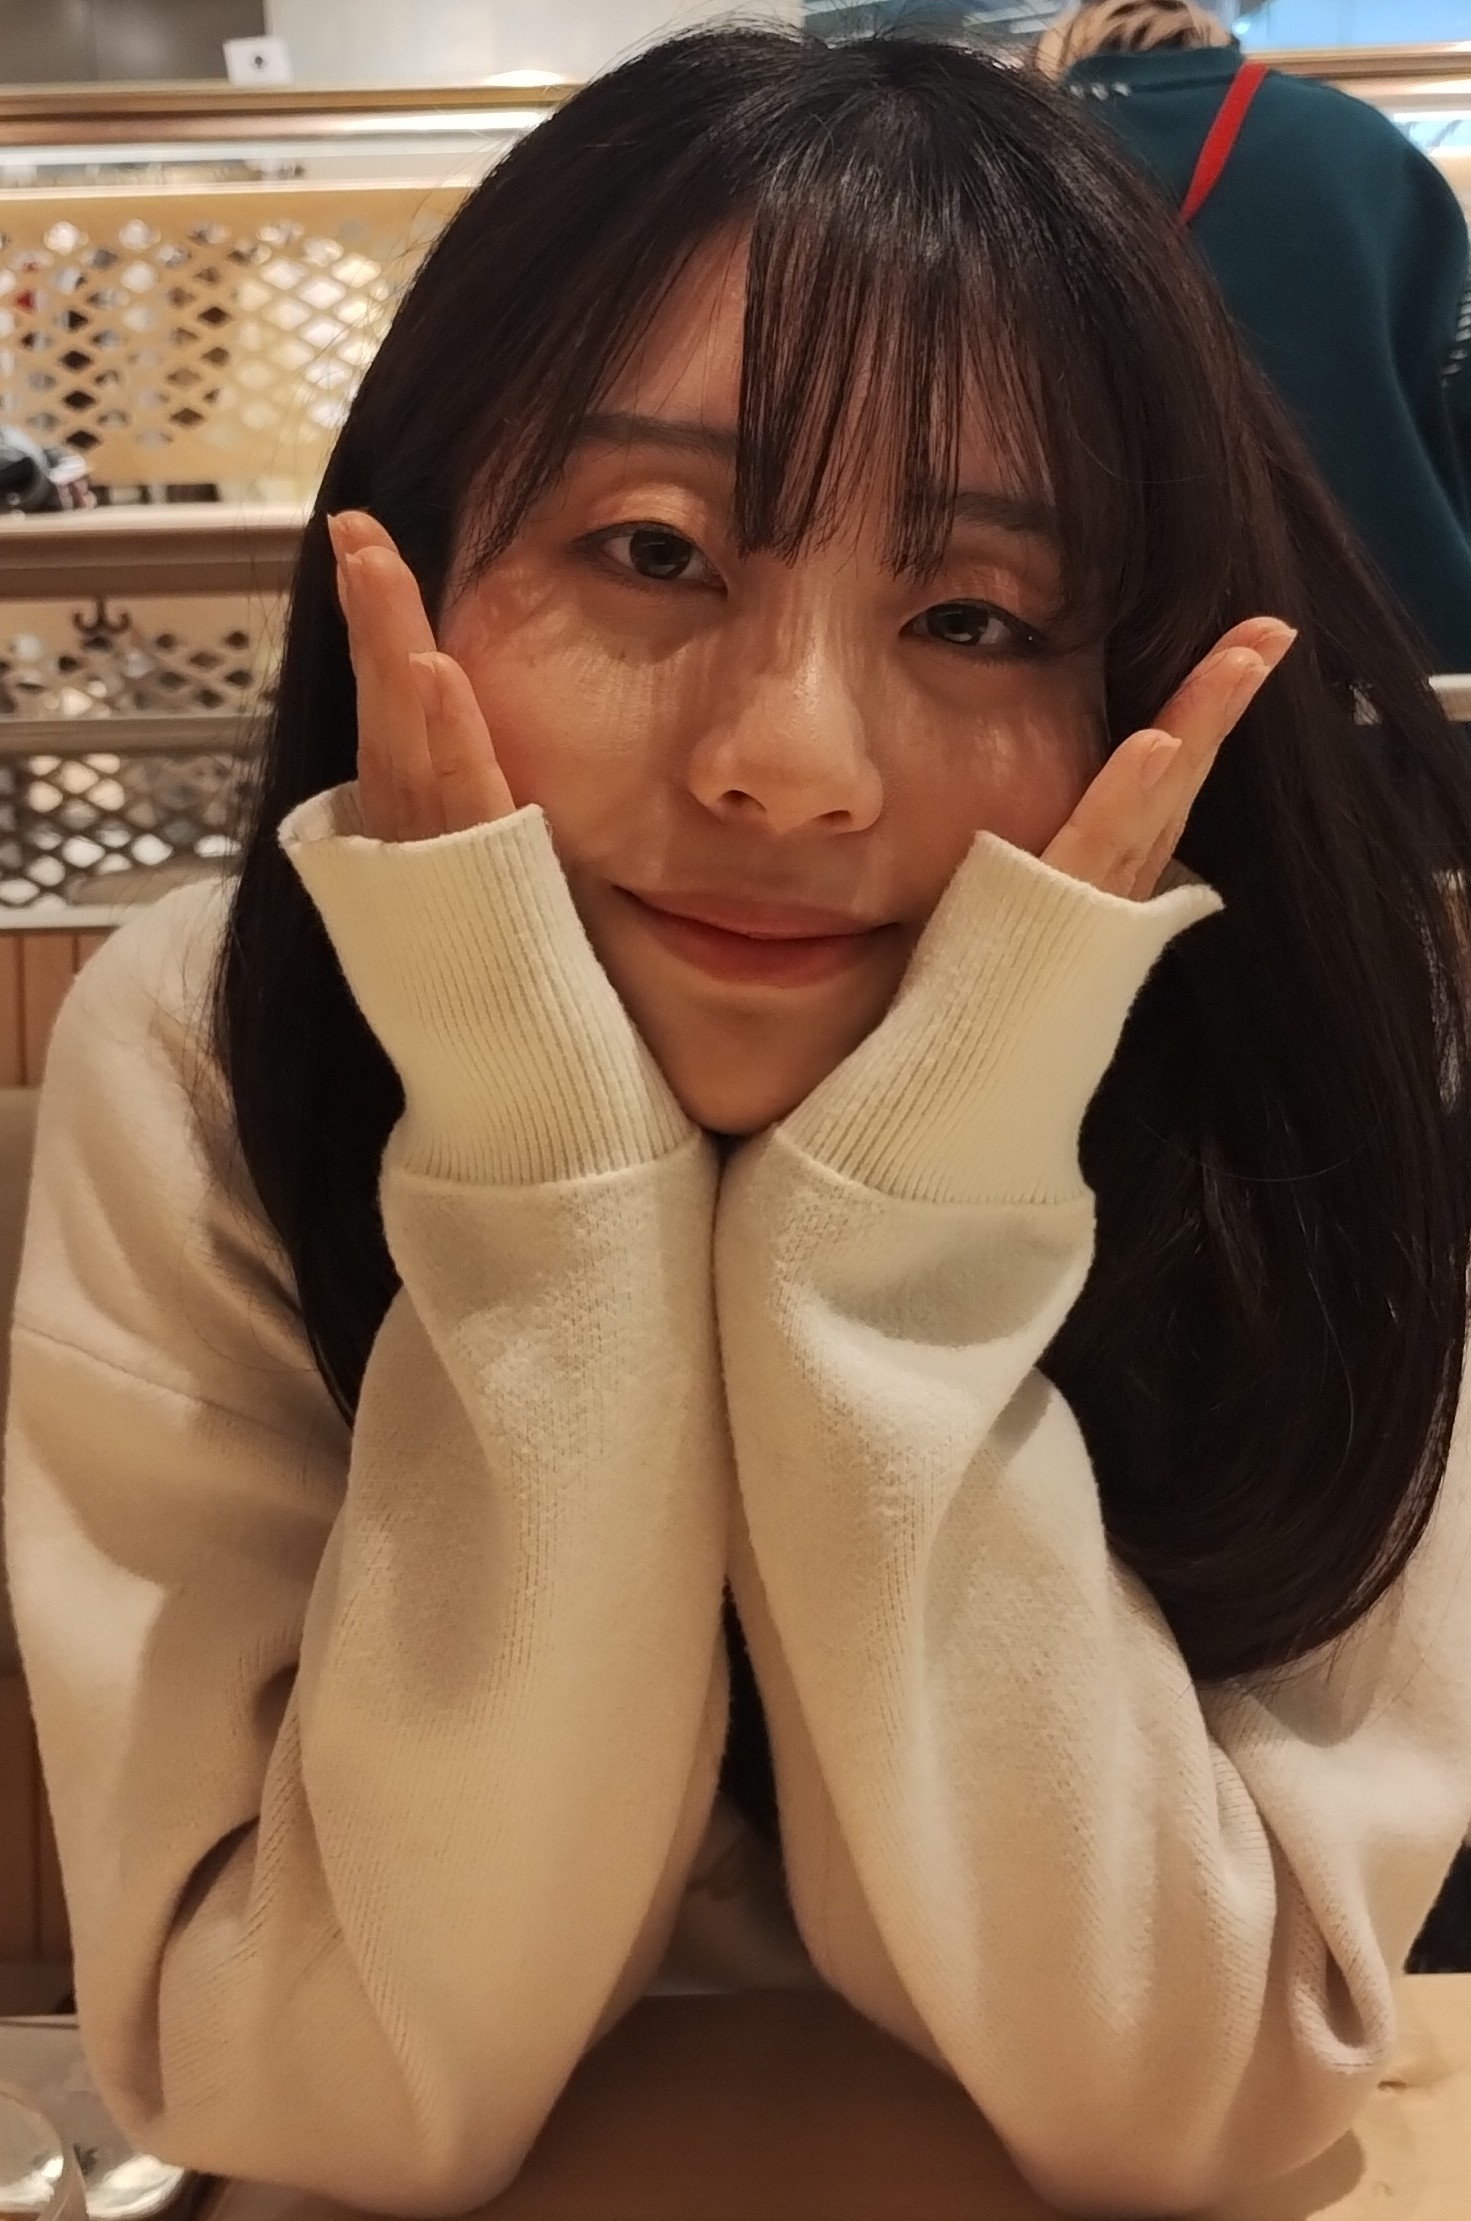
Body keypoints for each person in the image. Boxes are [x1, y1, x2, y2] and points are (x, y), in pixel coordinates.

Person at [6, 25, 1471, 2217]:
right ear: (409, 544)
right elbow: (322, 2089)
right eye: (654, 551)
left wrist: (900, 1228)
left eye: (975, 613)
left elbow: (1190, 2100)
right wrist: (542, 1168)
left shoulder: (1307, 1070)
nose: (790, 761)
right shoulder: (212, 1051)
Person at [1038, 0, 1471, 677]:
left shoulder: (1006, 164)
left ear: (1058, 53)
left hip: (1098, 666)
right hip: (1391, 662)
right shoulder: (1357, 145)